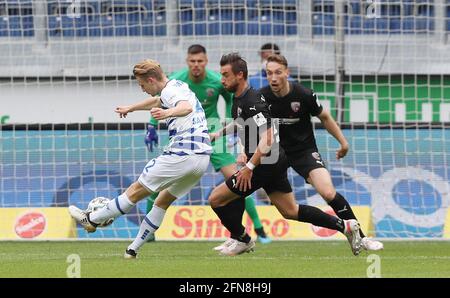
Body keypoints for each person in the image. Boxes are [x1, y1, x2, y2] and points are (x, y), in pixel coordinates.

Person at [208, 53, 363, 256]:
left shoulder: (253, 100)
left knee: (217, 199)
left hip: (264, 163)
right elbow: (241, 123)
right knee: (290, 211)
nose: (222, 80)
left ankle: (241, 238)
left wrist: (249, 167)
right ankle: (345, 226)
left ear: (239, 75)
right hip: (273, 161)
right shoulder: (240, 99)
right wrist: (218, 133)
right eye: (221, 75)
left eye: (225, 75)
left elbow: (268, 138)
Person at [68, 59, 212, 259]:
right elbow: (157, 102)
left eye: (142, 85)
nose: (142, 89)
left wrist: (167, 113)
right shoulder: (177, 86)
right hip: (201, 159)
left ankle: (91, 220)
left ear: (151, 80)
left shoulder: (172, 93)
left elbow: (186, 107)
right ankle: (132, 250)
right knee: (162, 201)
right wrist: (132, 108)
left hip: (183, 153)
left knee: (135, 191)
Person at [145, 44, 271, 243]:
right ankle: (149, 231)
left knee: (238, 181)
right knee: (161, 181)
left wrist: (233, 123)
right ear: (187, 62)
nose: (196, 65)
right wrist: (152, 125)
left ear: (205, 62)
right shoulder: (176, 80)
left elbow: (232, 100)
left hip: (212, 133)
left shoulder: (216, 80)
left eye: (200, 61)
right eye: (193, 61)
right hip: (184, 137)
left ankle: (258, 228)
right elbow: (160, 101)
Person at [260, 54, 384, 254]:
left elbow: (324, 117)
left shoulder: (304, 94)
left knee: (327, 191)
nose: (273, 78)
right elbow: (249, 125)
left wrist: (343, 142)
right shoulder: (261, 97)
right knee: (287, 211)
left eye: (277, 72)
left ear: (287, 73)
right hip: (275, 155)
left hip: (303, 152)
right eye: (269, 73)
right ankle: (238, 236)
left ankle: (361, 237)